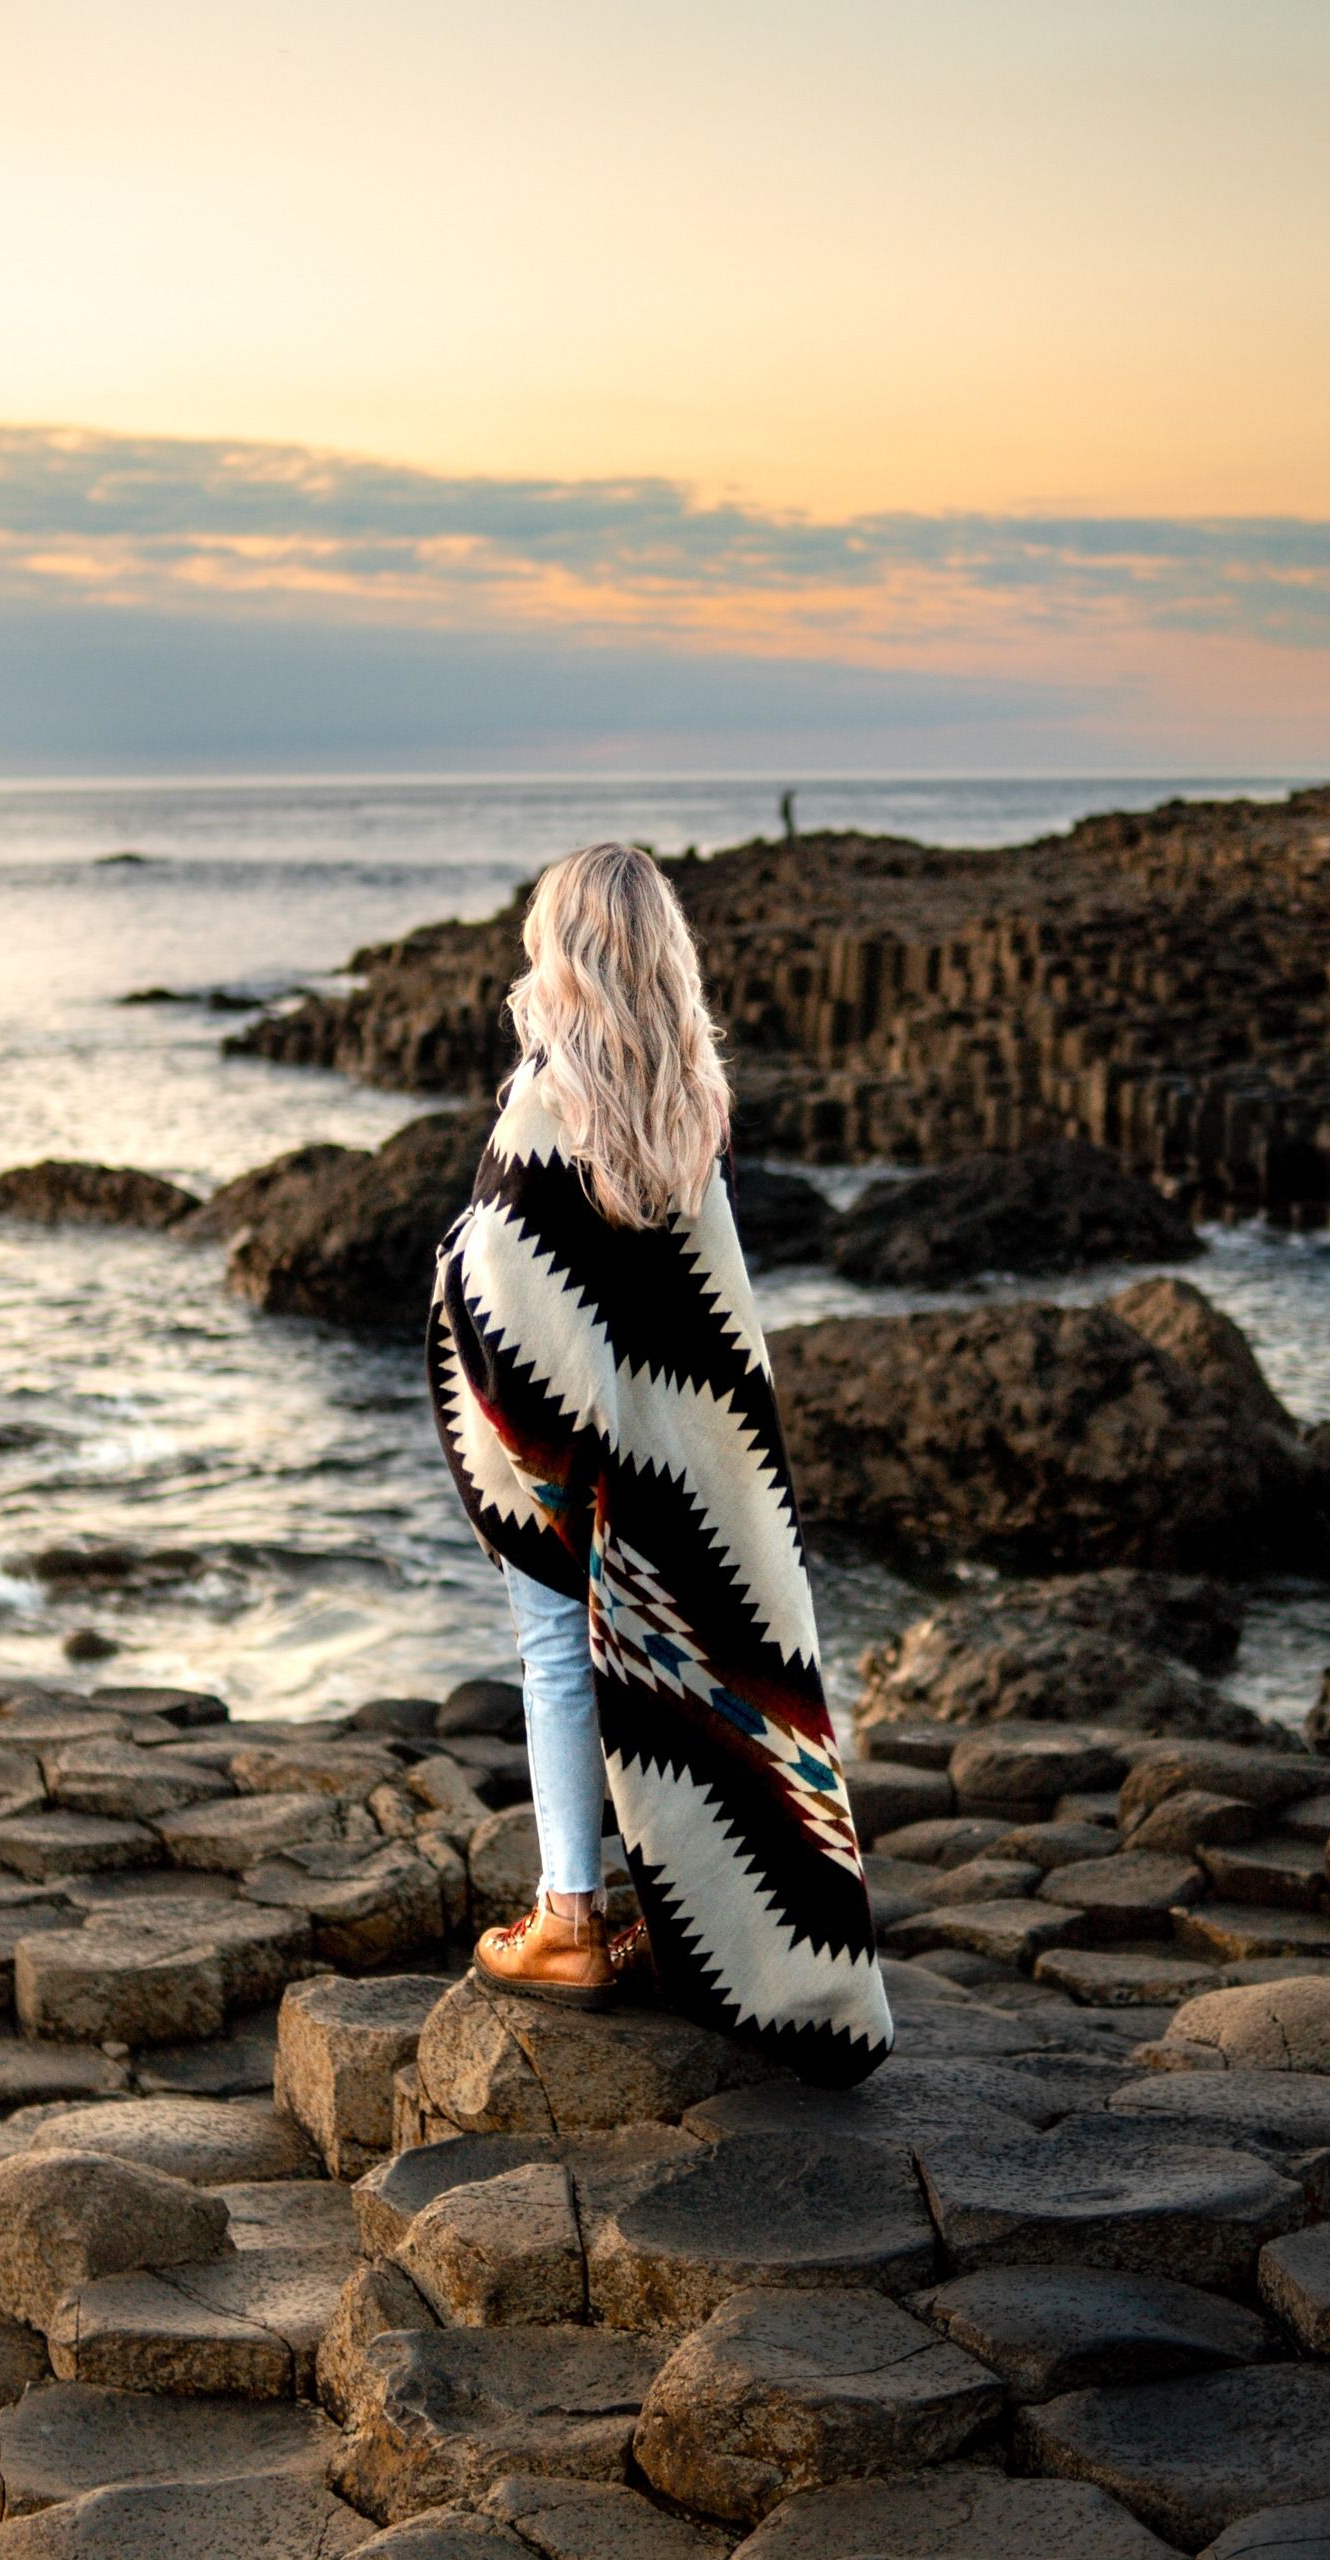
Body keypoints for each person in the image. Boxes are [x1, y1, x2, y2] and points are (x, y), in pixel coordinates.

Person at [427, 841, 892, 2088]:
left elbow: (507, 1301)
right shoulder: (688, 1102)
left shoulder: (542, 1104)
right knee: (681, 1681)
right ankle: (693, 1930)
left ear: (559, 952)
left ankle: (567, 1917)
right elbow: (702, 1313)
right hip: (676, 1460)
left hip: (575, 1458)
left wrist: (454, 1265)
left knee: (554, 1658)